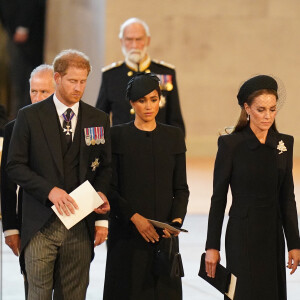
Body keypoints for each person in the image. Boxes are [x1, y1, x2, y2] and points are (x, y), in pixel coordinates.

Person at [6, 49, 111, 300]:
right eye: (72, 81)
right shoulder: (29, 116)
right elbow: (14, 166)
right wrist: (49, 191)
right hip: (40, 225)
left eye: (83, 81)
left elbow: (106, 167)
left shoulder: (98, 118)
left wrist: (102, 198)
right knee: (38, 295)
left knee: (74, 296)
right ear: (57, 78)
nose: (78, 88)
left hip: (80, 226)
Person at [205, 75, 300, 300]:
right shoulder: (230, 144)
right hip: (242, 235)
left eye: (272, 109)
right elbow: (218, 198)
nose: (267, 116)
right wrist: (212, 246)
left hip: (272, 234)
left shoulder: (284, 144)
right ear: (247, 108)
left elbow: (287, 197)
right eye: (260, 109)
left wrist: (294, 243)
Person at [103, 73, 189, 300]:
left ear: (160, 99)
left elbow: (181, 187)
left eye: (153, 99)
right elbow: (110, 188)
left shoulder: (173, 136)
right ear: (131, 103)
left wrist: (176, 222)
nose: (148, 106)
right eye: (142, 101)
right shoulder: (117, 135)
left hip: (164, 236)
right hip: (127, 234)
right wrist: (135, 218)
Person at [0, 64, 55, 298]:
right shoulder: (15, 127)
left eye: (45, 92)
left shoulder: (71, 125)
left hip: (69, 220)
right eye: (34, 91)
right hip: (29, 222)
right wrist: (10, 228)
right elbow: (7, 184)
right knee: (33, 289)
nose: (38, 97)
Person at [95, 17, 186, 135]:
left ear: (148, 40)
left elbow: (175, 120)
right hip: (121, 148)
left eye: (139, 39)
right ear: (121, 41)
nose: (134, 45)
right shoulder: (110, 75)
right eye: (129, 39)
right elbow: (99, 120)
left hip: (157, 146)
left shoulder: (165, 72)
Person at [0, 0, 46, 116]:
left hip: (28, 36)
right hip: (13, 31)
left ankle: (22, 121)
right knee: (18, 83)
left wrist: (23, 27)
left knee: (25, 83)